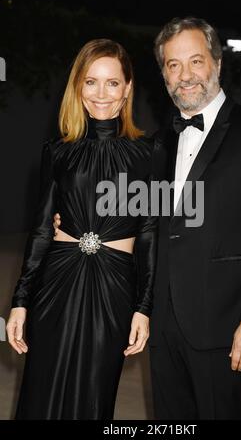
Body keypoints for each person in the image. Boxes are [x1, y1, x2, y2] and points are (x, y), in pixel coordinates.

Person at [147, 17, 241, 419]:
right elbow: (146, 219)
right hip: (164, 326)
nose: (185, 74)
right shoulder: (160, 142)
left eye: (196, 61)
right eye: (173, 65)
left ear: (217, 64)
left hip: (226, 327)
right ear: (163, 75)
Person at [6, 39, 157, 420]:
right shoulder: (57, 151)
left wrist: (143, 308)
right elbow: (41, 230)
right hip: (56, 282)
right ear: (78, 88)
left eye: (112, 82)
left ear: (127, 89)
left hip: (114, 287)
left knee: (94, 393)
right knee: (42, 389)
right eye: (91, 82)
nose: (101, 93)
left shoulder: (149, 154)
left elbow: (150, 233)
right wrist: (20, 300)